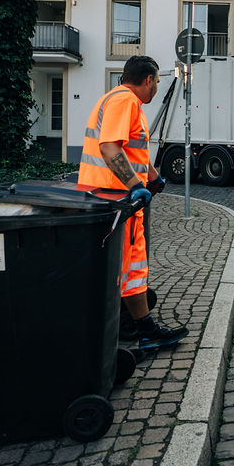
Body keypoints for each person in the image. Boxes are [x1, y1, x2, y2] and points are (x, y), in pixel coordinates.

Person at [78, 55, 188, 350]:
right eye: (157, 82)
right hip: (117, 199)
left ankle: (131, 320)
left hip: (109, 197)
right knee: (132, 266)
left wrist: (153, 177)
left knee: (124, 264)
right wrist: (136, 186)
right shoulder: (125, 101)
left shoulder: (118, 99)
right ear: (148, 80)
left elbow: (129, 149)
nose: (157, 88)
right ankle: (146, 331)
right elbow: (109, 147)